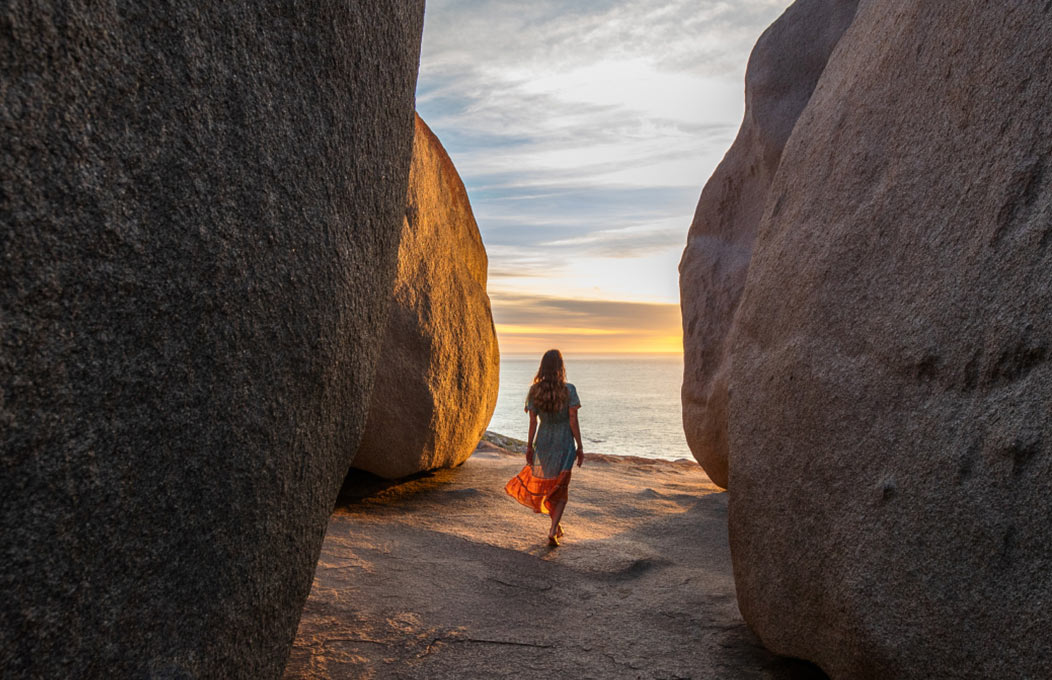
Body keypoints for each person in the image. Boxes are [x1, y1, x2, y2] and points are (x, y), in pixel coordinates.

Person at [504, 349, 584, 546]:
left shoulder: (535, 391)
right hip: (564, 441)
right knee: (561, 487)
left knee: (551, 485)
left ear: (542, 367)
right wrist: (580, 446)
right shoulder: (569, 390)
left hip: (544, 442)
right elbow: (573, 419)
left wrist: (529, 446)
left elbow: (533, 422)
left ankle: (556, 527)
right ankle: (552, 529)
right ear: (560, 367)